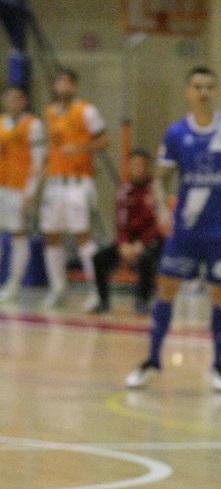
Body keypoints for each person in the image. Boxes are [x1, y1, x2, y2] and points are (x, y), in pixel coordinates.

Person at [124, 66, 221, 393]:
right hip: (186, 230)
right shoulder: (176, 134)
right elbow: (160, 177)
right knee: (167, 288)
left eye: (209, 87)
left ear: (216, 92)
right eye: (197, 86)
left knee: (220, 293)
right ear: (188, 92)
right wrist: (161, 208)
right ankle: (152, 360)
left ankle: (218, 365)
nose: (203, 92)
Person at [35, 68, 107, 310]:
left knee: (82, 236)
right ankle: (58, 289)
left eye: (68, 82)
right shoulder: (51, 113)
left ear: (74, 86)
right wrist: (38, 183)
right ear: (55, 86)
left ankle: (97, 291)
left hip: (78, 182)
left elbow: (104, 140)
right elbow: (49, 149)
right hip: (55, 182)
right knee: (51, 235)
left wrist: (80, 149)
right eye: (59, 82)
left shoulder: (87, 110)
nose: (63, 86)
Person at [89, 148, 162, 314]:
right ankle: (103, 301)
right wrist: (123, 245)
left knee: (147, 257)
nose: (139, 169)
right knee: (99, 258)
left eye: (142, 165)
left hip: (152, 239)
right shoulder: (124, 189)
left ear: (148, 167)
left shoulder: (156, 189)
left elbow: (158, 224)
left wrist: (141, 244)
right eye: (135, 165)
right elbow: (120, 222)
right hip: (129, 241)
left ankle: (143, 302)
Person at [0, 85, 44, 304]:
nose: (12, 102)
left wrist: (31, 191)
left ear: (24, 101)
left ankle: (14, 284)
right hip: (1, 185)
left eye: (17, 98)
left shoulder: (33, 125)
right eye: (8, 98)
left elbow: (38, 162)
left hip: (19, 188)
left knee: (18, 234)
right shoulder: (1, 123)